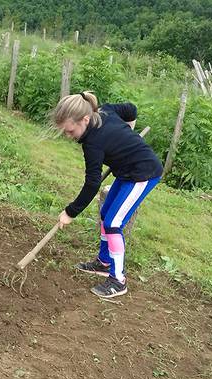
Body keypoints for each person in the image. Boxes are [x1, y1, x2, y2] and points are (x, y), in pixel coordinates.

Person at [53, 91, 162, 298]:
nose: (68, 136)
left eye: (70, 131)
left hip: (143, 173)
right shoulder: (105, 111)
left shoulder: (93, 143)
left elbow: (92, 184)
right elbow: (131, 110)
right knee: (106, 215)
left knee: (113, 223)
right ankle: (104, 262)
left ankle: (118, 280)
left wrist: (70, 212)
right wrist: (127, 134)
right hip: (126, 171)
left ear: (85, 119)